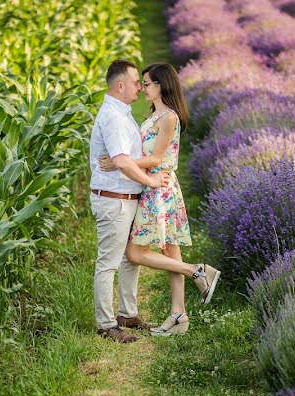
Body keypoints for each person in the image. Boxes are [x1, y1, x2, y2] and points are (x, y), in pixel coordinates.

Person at [99, 63, 220, 337]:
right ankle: (179, 315)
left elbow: (156, 158)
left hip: (159, 189)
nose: (143, 88)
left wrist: (120, 163)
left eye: (148, 83)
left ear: (162, 85)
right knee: (170, 252)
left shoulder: (170, 118)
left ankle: (197, 271)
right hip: (153, 186)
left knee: (135, 253)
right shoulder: (155, 114)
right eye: (141, 83)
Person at [88, 59, 170, 344]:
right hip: (114, 201)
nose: (140, 86)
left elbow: (124, 158)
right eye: (136, 82)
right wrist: (150, 181)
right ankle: (106, 324)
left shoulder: (121, 113)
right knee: (108, 263)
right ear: (120, 85)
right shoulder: (113, 117)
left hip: (125, 199)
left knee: (128, 260)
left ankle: (127, 314)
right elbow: (122, 161)